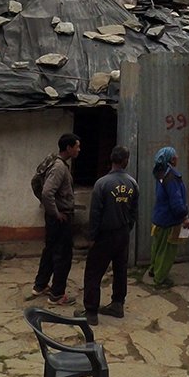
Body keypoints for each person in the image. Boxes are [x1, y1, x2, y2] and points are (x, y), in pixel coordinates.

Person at [75, 145, 139, 325]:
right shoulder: (132, 183)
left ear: (111, 160)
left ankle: (91, 312)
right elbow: (134, 211)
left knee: (93, 272)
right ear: (125, 161)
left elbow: (95, 213)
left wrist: (92, 237)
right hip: (123, 234)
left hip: (104, 235)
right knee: (120, 270)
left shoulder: (102, 184)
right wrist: (127, 228)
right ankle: (118, 304)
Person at [31, 133, 81, 306]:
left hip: (55, 217)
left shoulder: (55, 163)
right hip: (61, 218)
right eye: (77, 146)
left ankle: (40, 285)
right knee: (63, 255)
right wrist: (56, 212)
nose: (78, 150)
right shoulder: (59, 167)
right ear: (68, 148)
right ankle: (57, 294)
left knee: (50, 250)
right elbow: (47, 192)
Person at [146, 146, 189, 289]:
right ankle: (160, 278)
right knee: (167, 251)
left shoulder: (160, 174)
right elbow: (176, 202)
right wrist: (184, 217)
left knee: (157, 248)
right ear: (171, 159)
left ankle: (153, 270)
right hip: (170, 220)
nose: (177, 157)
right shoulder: (172, 177)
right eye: (175, 155)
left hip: (159, 218)